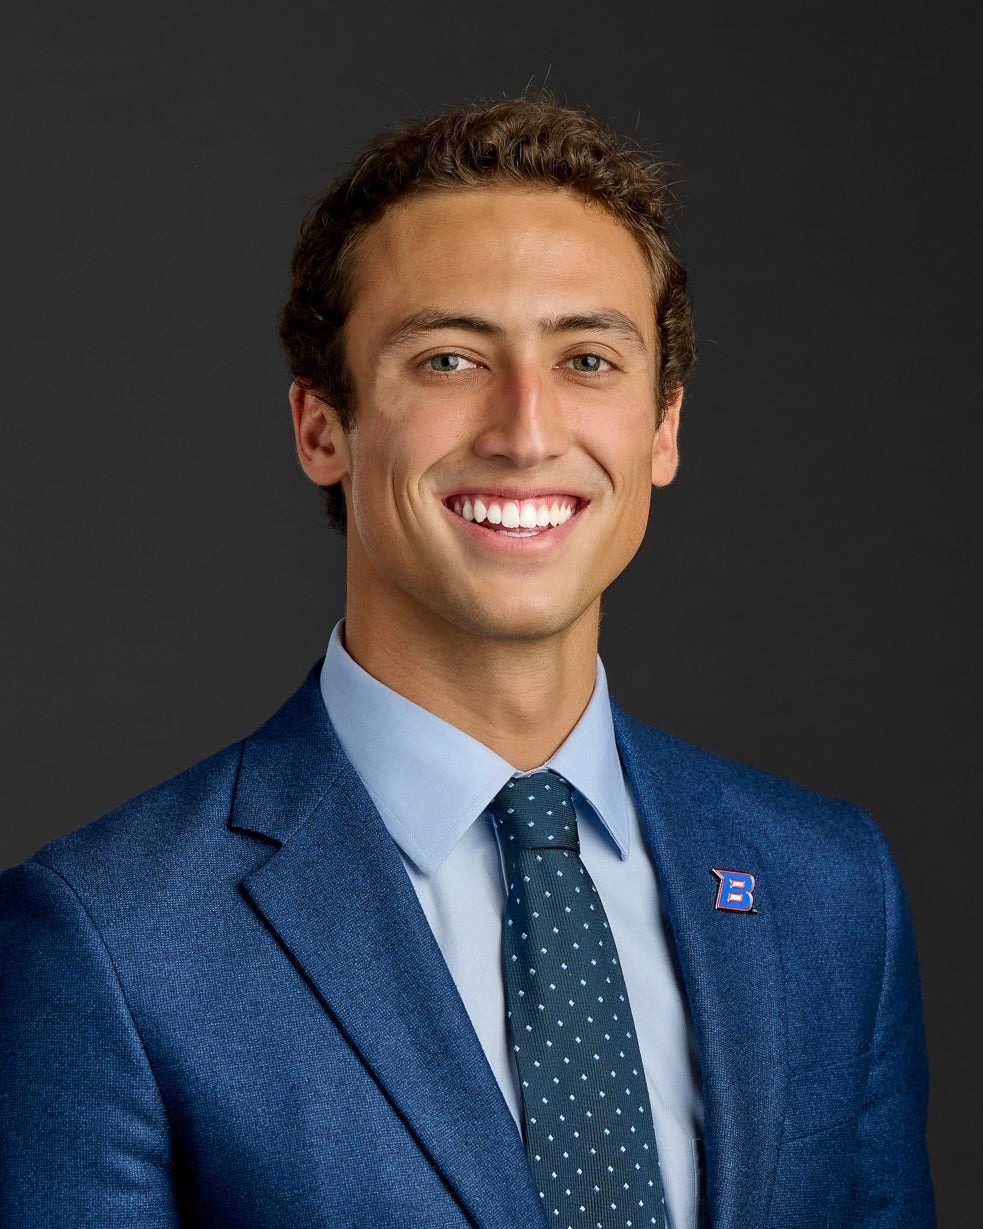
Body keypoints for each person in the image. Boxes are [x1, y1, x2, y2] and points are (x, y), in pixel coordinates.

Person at [0, 96, 934, 1229]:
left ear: (662, 427)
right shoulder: (109, 939)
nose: (525, 428)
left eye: (587, 357)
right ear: (319, 428)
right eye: (447, 358)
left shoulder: (827, 890)